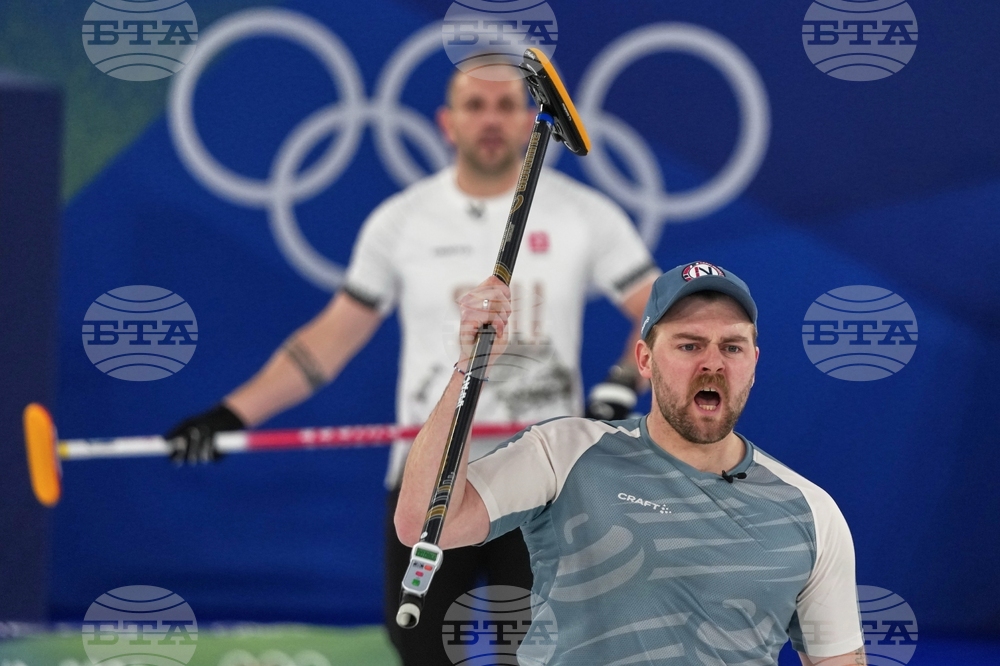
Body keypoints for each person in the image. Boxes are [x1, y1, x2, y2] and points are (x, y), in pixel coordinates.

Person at [167, 70, 660, 665]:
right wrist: (231, 413)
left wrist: (620, 384)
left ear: (529, 119)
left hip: (542, 482)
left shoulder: (586, 215)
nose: (491, 118)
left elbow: (658, 314)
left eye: (507, 104)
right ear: (446, 123)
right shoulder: (401, 220)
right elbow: (330, 341)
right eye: (474, 105)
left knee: (543, 658)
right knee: (423, 652)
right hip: (431, 480)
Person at [395, 261, 866, 666]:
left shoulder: (811, 511)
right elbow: (422, 523)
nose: (713, 364)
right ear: (644, 359)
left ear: (754, 362)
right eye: (688, 345)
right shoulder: (566, 451)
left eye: (732, 346)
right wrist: (468, 368)